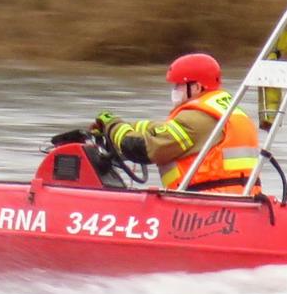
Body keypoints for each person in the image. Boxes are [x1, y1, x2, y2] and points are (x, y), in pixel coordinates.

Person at [90, 53, 260, 192]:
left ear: (196, 87)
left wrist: (112, 125)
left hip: (207, 207)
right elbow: (162, 130)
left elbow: (143, 149)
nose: (175, 91)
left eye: (179, 85)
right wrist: (130, 126)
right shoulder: (226, 110)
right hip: (237, 200)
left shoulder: (197, 119)